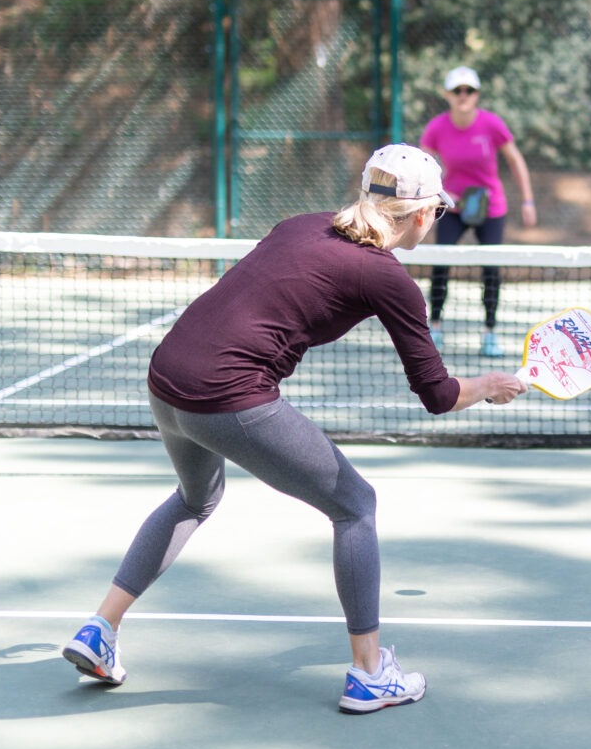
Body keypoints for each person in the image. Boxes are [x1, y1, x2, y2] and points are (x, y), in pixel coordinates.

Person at [62, 144, 529, 714]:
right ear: (423, 214)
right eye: (437, 211)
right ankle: (368, 674)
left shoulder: (300, 225)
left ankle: (99, 630)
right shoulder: (389, 278)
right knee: (355, 505)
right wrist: (489, 385)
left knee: (194, 499)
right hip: (228, 398)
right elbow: (438, 395)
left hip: (166, 378)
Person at [420, 65, 538, 358]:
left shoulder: (492, 124)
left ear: (476, 94)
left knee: (491, 270)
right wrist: (438, 195)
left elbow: (515, 160)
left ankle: (490, 333)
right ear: (447, 94)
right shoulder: (437, 127)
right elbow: (421, 164)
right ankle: (435, 328)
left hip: (491, 207)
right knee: (440, 264)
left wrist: (528, 200)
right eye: (457, 91)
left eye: (469, 90)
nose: (463, 96)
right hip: (453, 206)